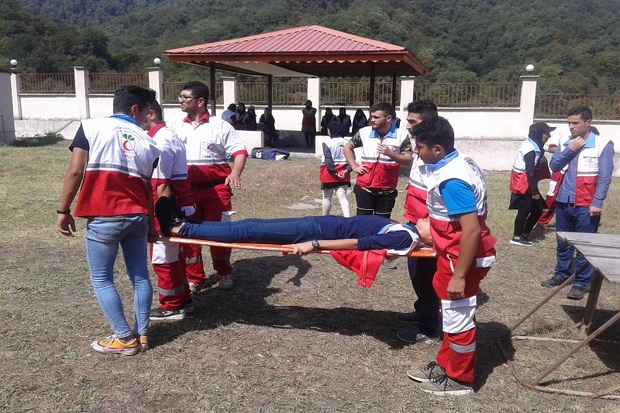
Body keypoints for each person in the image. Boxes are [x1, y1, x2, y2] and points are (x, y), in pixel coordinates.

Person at [56, 85, 161, 355]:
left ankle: (124, 339)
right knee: (139, 275)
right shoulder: (148, 141)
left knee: (102, 279)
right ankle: (143, 334)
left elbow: (76, 170)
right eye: (146, 111)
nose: (148, 117)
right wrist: (150, 224)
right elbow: (147, 187)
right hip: (137, 216)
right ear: (135, 109)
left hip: (104, 215)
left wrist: (63, 210)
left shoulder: (91, 127)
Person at [406, 117, 496, 396]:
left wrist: (459, 275)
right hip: (452, 256)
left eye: (419, 147)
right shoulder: (459, 162)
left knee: (458, 319)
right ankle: (445, 365)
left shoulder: (452, 180)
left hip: (461, 259)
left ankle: (459, 379)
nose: (415, 153)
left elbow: (470, 231)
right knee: (451, 315)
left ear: (437, 149)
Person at [168, 81, 249, 292]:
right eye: (180, 96)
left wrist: (234, 173)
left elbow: (240, 151)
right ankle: (195, 277)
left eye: (185, 97)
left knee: (220, 234)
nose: (180, 100)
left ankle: (224, 272)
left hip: (216, 190)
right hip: (186, 191)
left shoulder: (220, 126)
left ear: (200, 101)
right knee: (188, 234)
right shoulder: (175, 126)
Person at [540, 106, 614, 300]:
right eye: (569, 123)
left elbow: (605, 177)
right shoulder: (567, 143)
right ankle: (561, 274)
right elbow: (554, 165)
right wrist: (569, 151)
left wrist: (597, 202)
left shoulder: (602, 144)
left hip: (586, 202)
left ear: (588, 122)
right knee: (562, 241)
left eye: (575, 123)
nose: (571, 127)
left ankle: (581, 283)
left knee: (584, 244)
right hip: (564, 200)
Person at [143, 98, 196, 321]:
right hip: (175, 204)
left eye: (138, 114)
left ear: (151, 114)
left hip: (163, 207)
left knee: (162, 257)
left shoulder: (160, 142)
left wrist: (157, 219)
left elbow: (161, 185)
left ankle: (172, 305)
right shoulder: (167, 136)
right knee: (172, 255)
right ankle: (182, 300)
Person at [397, 100, 441, 344]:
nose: (407, 126)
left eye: (412, 122)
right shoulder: (419, 149)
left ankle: (428, 326)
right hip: (415, 222)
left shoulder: (434, 153)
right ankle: (422, 310)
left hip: (427, 229)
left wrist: (427, 229)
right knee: (416, 273)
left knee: (426, 276)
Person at [342, 102, 412, 218]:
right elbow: (347, 148)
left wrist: (391, 154)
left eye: (376, 117)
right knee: (363, 223)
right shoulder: (364, 132)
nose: (372, 120)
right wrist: (354, 166)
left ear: (388, 118)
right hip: (364, 188)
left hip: (387, 190)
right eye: (371, 116)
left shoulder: (401, 136)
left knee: (381, 224)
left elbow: (408, 160)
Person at [534, 125, 600, 234]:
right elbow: (548, 147)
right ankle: (541, 221)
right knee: (551, 198)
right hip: (560, 173)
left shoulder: (595, 143)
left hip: (578, 177)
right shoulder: (565, 136)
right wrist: (568, 148)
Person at [508, 123, 555, 246]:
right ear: (539, 134)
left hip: (528, 181)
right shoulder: (530, 149)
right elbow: (530, 171)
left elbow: (544, 149)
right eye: (547, 133)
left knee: (538, 209)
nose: (549, 136)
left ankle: (524, 234)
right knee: (524, 209)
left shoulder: (534, 144)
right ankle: (517, 237)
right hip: (524, 182)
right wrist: (534, 192)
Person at [320, 121, 351, 217]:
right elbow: (352, 160)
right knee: (342, 197)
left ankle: (325, 216)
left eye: (328, 130)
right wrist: (346, 171)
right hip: (344, 173)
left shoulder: (327, 143)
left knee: (327, 197)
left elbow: (328, 161)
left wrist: (334, 172)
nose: (327, 132)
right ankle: (347, 217)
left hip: (329, 174)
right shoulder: (348, 143)